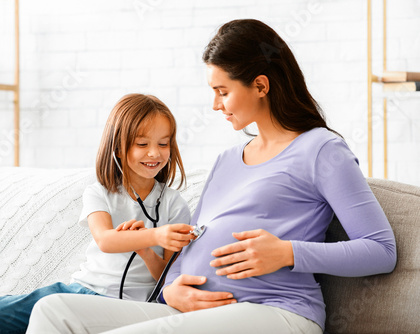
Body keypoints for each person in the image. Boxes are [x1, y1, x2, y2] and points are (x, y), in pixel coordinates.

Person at [25, 19, 397, 334]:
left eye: (223, 91)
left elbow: (380, 251)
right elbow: (189, 245)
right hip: (195, 309)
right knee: (53, 312)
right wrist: (171, 289)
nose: (215, 104)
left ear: (261, 86)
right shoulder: (227, 159)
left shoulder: (321, 150)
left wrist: (287, 252)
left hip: (276, 311)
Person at [0, 93, 194, 334]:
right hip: (81, 290)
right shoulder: (99, 193)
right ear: (117, 147)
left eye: (163, 143)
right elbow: (106, 240)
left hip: (126, 307)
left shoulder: (174, 205)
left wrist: (146, 251)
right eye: (142, 144)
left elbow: (167, 278)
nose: (154, 154)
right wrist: (155, 236)